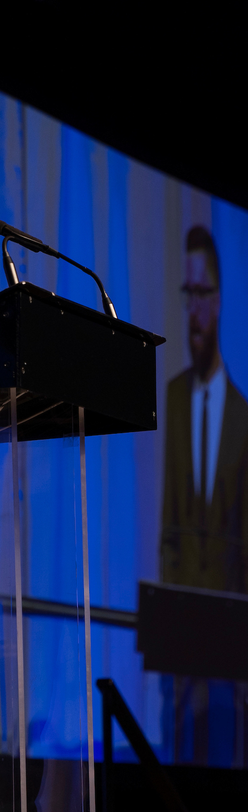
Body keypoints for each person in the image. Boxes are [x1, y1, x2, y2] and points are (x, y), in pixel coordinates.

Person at [160, 225, 248, 592]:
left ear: (219, 299)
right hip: (180, 617)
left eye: (203, 293)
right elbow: (169, 529)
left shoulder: (243, 416)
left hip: (228, 624)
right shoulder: (175, 396)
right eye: (188, 293)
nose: (194, 309)